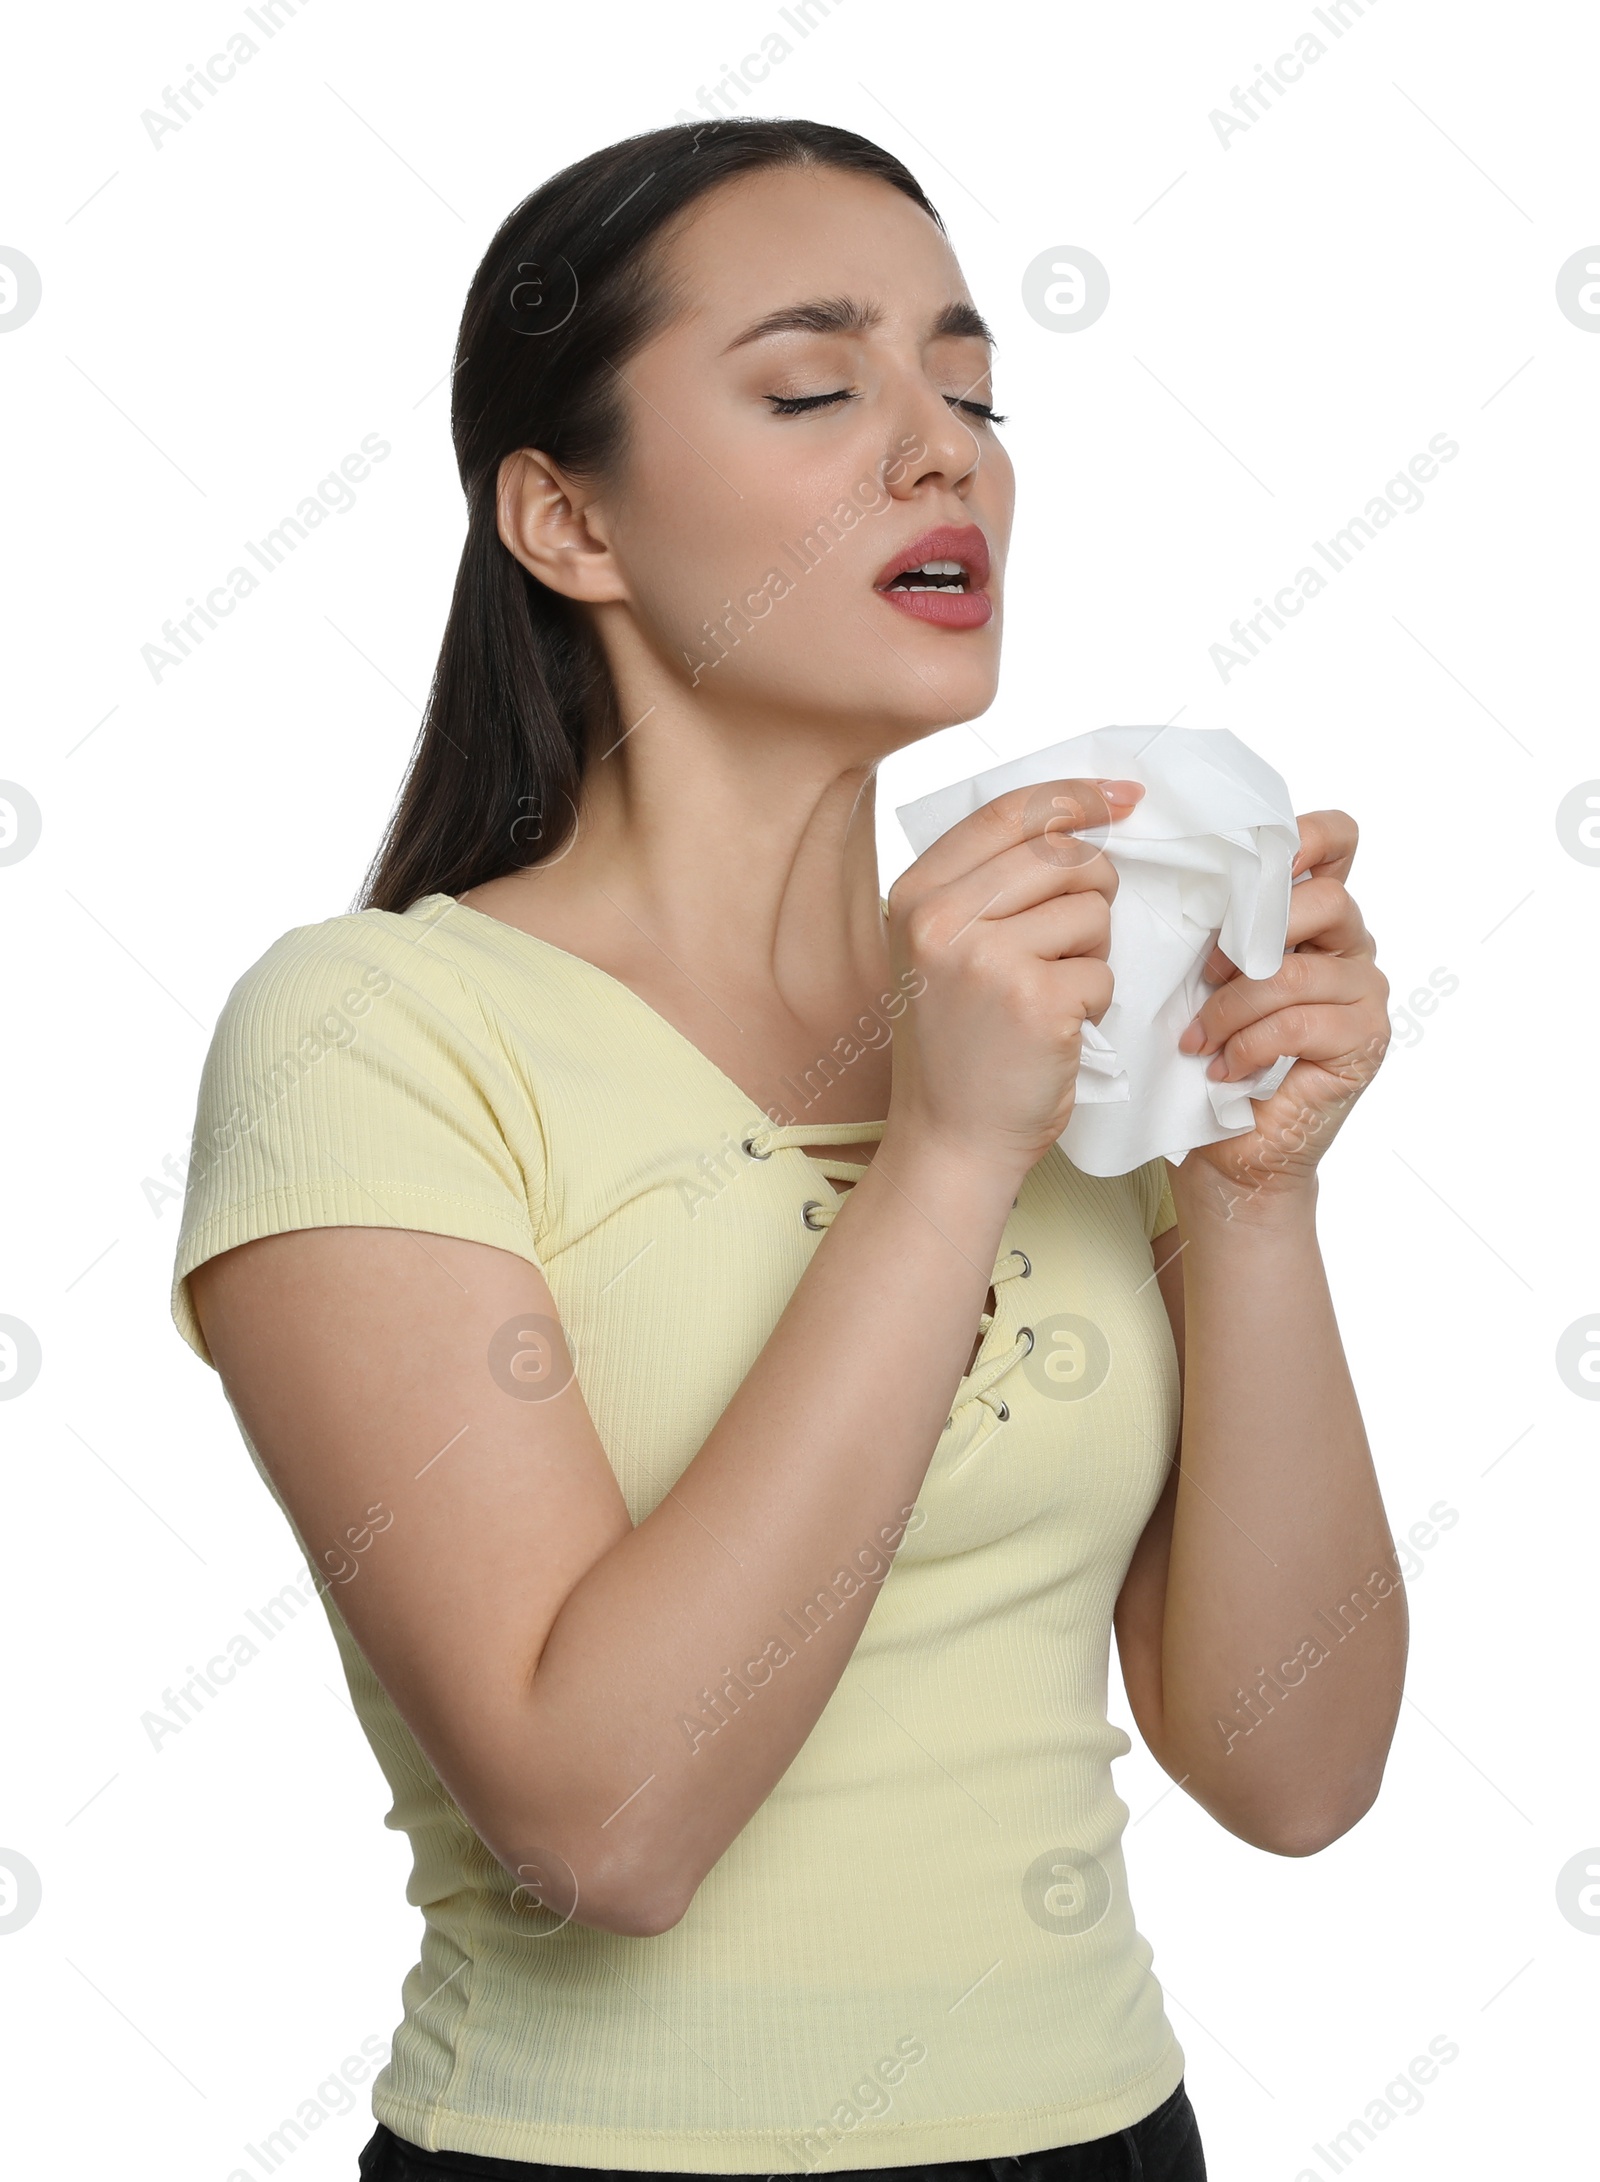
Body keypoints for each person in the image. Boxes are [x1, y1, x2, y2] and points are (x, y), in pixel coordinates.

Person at [170, 118, 1403, 2182]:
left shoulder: (1060, 1009)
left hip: (1106, 2133)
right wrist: (940, 1158)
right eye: (816, 387)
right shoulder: (372, 1033)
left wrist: (1252, 1189)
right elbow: (605, 1824)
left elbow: (1291, 1768)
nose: (944, 453)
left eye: (970, 387)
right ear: (566, 519)